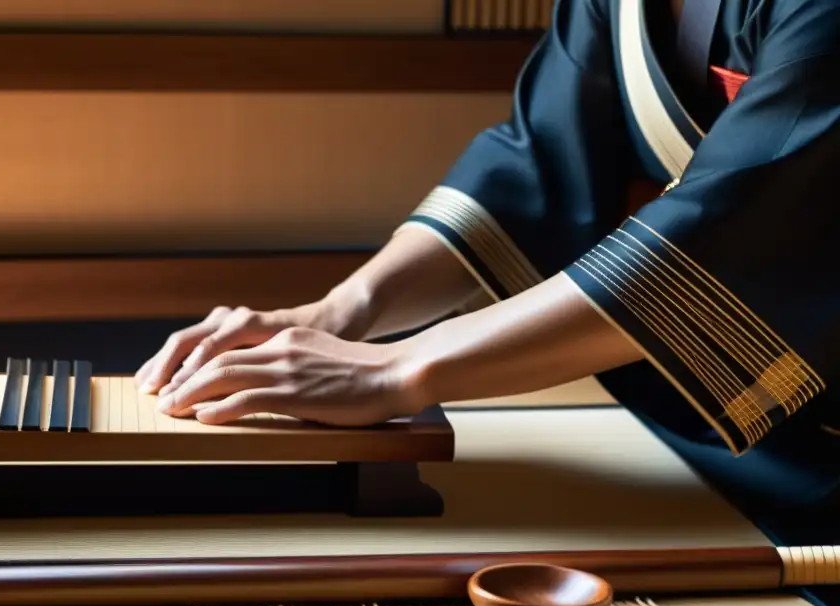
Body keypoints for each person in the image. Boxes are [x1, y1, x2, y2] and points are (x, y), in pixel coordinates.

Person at [135, 0, 839, 519]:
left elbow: (727, 234)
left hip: (817, 430)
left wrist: (400, 367)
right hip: (677, 412)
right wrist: (341, 314)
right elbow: (538, 165)